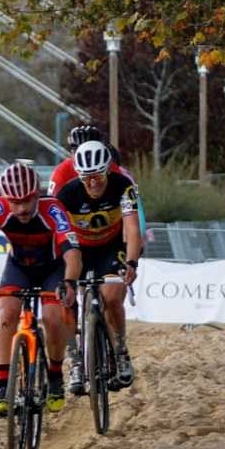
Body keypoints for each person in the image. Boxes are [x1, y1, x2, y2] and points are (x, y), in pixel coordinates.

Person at [0, 161, 81, 416]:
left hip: (53, 268)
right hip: (19, 267)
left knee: (53, 319)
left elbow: (72, 252)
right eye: (14, 202)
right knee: (7, 315)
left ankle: (54, 377)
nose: (20, 208)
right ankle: (2, 386)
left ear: (37, 194)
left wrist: (70, 282)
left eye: (26, 201)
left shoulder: (52, 208)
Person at [53, 140, 144, 390]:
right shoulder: (67, 194)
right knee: (67, 299)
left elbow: (133, 229)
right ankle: (76, 360)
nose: (93, 182)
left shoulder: (122, 186)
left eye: (98, 176)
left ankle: (121, 352)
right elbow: (56, 236)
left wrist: (133, 263)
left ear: (108, 170)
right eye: (86, 177)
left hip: (110, 247)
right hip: (78, 250)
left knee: (112, 296)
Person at [50, 122, 118, 196]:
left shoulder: (111, 167)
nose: (87, 158)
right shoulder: (62, 171)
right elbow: (54, 201)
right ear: (72, 152)